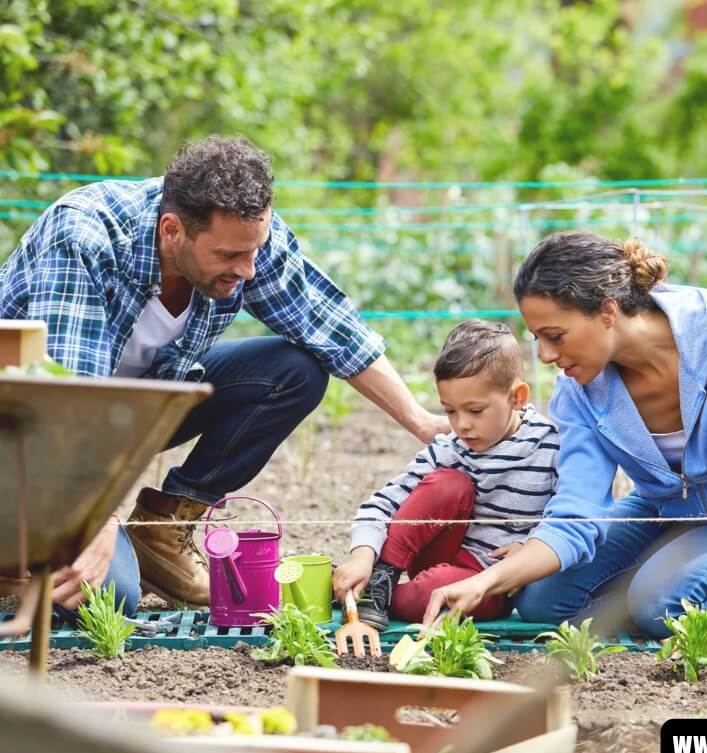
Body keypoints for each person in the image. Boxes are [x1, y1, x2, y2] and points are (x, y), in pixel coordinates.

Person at [0, 136, 447, 616]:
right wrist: (99, 521)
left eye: (254, 250)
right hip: (27, 437)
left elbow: (332, 329)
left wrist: (423, 423)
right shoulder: (85, 237)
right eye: (231, 256)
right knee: (108, 597)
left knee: (294, 371)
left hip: (128, 415)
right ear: (172, 231)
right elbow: (67, 400)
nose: (249, 269)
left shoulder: (244, 237)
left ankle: (160, 534)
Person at [421, 232, 707, 643]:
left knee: (661, 604)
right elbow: (578, 508)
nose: (544, 355)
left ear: (608, 312)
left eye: (555, 336)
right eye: (536, 338)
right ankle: (661, 582)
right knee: (542, 601)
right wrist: (488, 581)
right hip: (664, 511)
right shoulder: (578, 388)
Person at [332, 319, 559, 627]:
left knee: (428, 595)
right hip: (437, 552)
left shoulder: (550, 446)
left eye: (475, 411)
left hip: (489, 581)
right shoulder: (451, 447)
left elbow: (568, 516)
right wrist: (363, 556)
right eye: (450, 411)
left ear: (517, 397)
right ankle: (379, 578)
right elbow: (383, 504)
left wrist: (531, 546)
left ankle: (361, 594)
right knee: (448, 484)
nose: (461, 424)